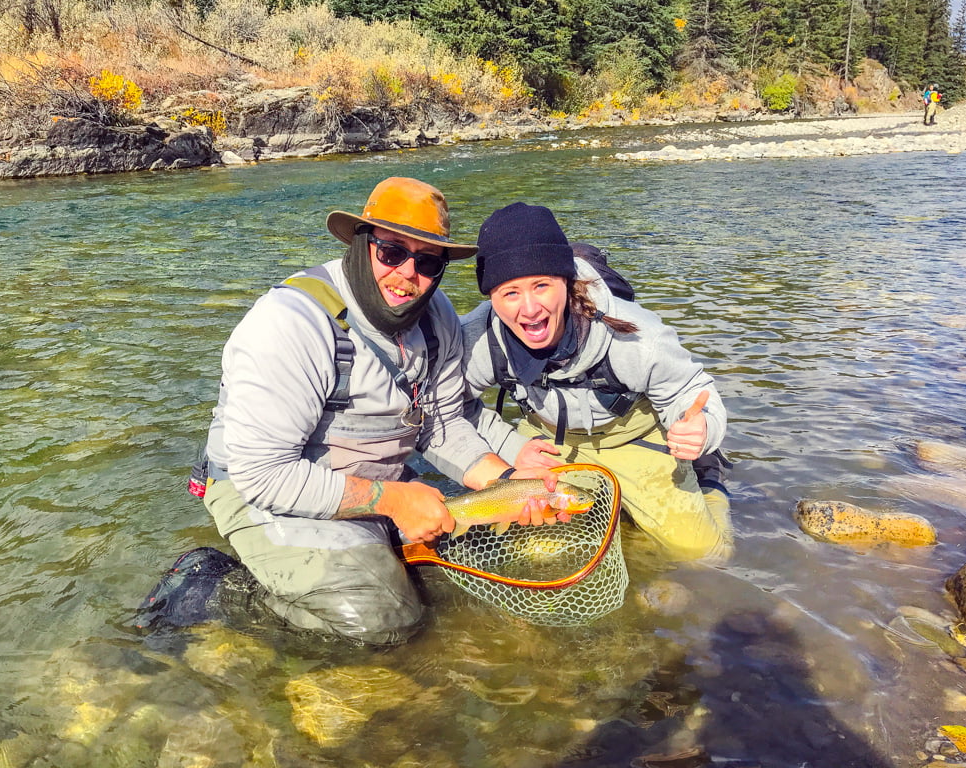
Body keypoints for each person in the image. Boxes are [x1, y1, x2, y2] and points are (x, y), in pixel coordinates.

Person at [143, 178, 558, 646]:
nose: (408, 274)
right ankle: (216, 590)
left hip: (369, 481)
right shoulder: (290, 323)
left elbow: (440, 425)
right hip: (261, 487)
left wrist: (505, 486)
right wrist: (393, 502)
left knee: (467, 575)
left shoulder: (437, 316)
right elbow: (263, 475)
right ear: (361, 243)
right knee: (382, 621)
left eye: (427, 261)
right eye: (391, 252)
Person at [431, 202, 733, 563]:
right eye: (509, 293)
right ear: (492, 297)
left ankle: (710, 477)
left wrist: (701, 430)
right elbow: (445, 408)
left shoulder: (637, 336)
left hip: (636, 441)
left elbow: (693, 395)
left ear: (566, 281)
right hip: (547, 446)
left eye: (541, 285)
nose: (528, 309)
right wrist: (509, 447)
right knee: (538, 554)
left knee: (704, 558)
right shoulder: (479, 339)